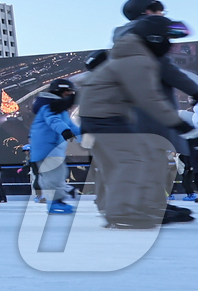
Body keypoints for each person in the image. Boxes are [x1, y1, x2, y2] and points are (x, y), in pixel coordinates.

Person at [79, 15, 198, 229]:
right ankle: (123, 212)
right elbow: (149, 98)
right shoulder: (138, 60)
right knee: (131, 161)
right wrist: (178, 123)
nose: (169, 45)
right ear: (153, 38)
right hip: (104, 118)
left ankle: (131, 208)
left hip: (100, 118)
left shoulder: (133, 55)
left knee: (130, 160)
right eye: (165, 38)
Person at [31, 79, 81, 214]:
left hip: (54, 149)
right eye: (69, 92)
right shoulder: (49, 107)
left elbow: (72, 127)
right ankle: (54, 203)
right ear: (62, 92)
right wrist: (64, 131)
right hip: (47, 149)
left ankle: (58, 200)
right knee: (54, 177)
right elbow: (53, 121)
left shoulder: (60, 109)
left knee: (59, 175)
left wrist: (86, 135)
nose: (70, 95)